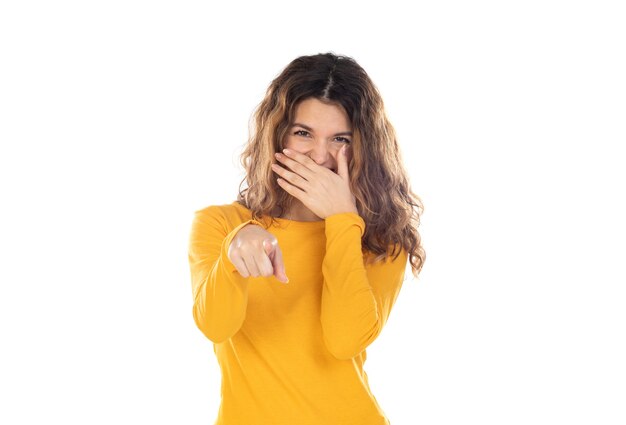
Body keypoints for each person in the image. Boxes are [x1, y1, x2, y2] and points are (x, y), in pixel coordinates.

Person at [187, 52, 425, 425]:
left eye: (340, 139)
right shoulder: (219, 225)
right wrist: (237, 247)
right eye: (303, 133)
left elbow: (344, 340)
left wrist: (343, 220)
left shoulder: (380, 242)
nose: (319, 156)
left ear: (363, 146)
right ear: (278, 134)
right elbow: (215, 325)